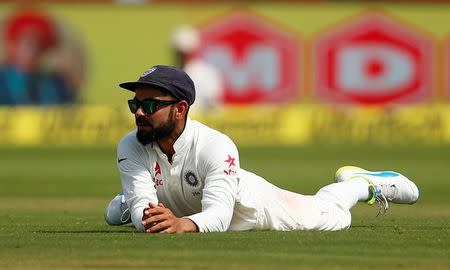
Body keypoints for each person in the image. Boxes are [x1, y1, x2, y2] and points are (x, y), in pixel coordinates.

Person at [104, 65, 419, 233]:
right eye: (135, 103)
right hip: (188, 203)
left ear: (181, 108)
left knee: (333, 218)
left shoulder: (216, 146)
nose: (138, 113)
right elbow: (143, 221)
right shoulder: (131, 145)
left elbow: (220, 217)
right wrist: (147, 213)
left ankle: (361, 184)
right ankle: (146, 194)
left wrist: (181, 223)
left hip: (250, 207)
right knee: (116, 213)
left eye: (148, 105)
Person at [0, 9, 76, 105]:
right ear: (12, 45)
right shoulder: (3, 81)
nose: (33, 50)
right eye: (27, 43)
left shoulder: (54, 83)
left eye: (39, 44)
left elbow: (72, 109)